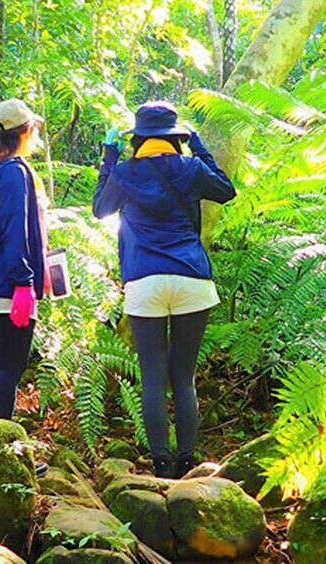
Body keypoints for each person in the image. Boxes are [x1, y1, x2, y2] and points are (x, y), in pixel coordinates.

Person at [93, 101, 236, 478]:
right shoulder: (190, 167)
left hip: (145, 280)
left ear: (137, 139)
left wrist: (109, 156)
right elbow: (226, 190)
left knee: (153, 377)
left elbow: (100, 209)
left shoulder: (125, 173)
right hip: (191, 278)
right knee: (184, 377)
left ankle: (161, 466)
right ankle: (188, 461)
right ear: (176, 138)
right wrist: (199, 146)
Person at [0, 98, 50, 422]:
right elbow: (15, 230)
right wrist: (23, 282)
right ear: (25, 131)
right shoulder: (14, 172)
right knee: (9, 369)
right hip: (9, 283)